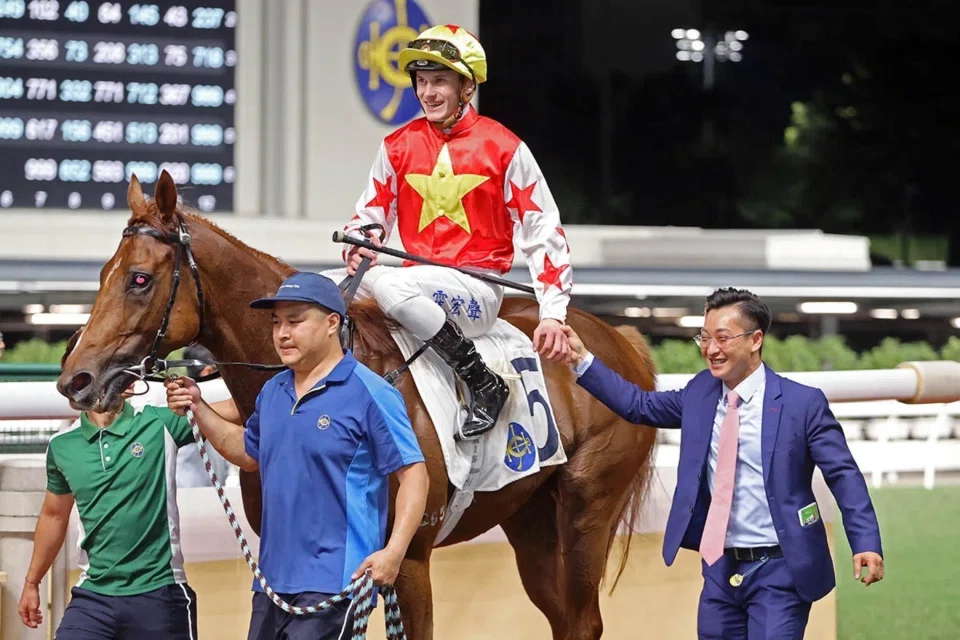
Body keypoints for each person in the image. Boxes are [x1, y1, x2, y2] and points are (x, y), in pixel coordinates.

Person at [563, 287, 884, 639]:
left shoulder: (803, 403)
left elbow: (844, 476)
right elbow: (639, 405)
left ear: (755, 339)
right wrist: (582, 360)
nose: (711, 349)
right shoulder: (699, 392)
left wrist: (865, 541)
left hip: (782, 570)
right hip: (719, 572)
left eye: (722, 338)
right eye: (704, 337)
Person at [332, 24, 573, 439]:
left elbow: (543, 230)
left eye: (440, 81)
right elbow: (370, 215)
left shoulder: (505, 147)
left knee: (391, 287)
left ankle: (482, 382)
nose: (428, 93)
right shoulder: (397, 145)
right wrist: (360, 242)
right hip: (413, 284)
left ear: (467, 87)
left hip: (474, 294)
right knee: (319, 287)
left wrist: (552, 314)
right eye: (422, 82)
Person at [165, 271, 429, 640]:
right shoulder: (272, 391)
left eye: (295, 321)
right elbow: (247, 452)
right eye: (276, 323)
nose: (282, 333)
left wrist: (394, 552)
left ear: (332, 323)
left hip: (339, 579)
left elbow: (414, 474)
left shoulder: (371, 393)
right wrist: (199, 405)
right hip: (273, 581)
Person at [18, 383, 202, 639]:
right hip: (94, 596)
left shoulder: (159, 421)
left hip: (160, 591)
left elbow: (237, 413)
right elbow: (54, 515)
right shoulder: (61, 445)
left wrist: (197, 403)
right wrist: (32, 583)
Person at [175, 344, 234, 488]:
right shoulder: (209, 392)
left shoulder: (183, 395)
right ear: (208, 371)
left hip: (190, 486)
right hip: (196, 489)